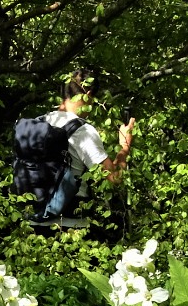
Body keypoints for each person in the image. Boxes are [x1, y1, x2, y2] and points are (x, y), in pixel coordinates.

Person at [33, 70, 136, 226]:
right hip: (68, 227)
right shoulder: (82, 131)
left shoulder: (36, 124)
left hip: (29, 224)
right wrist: (124, 147)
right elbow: (114, 178)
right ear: (88, 94)